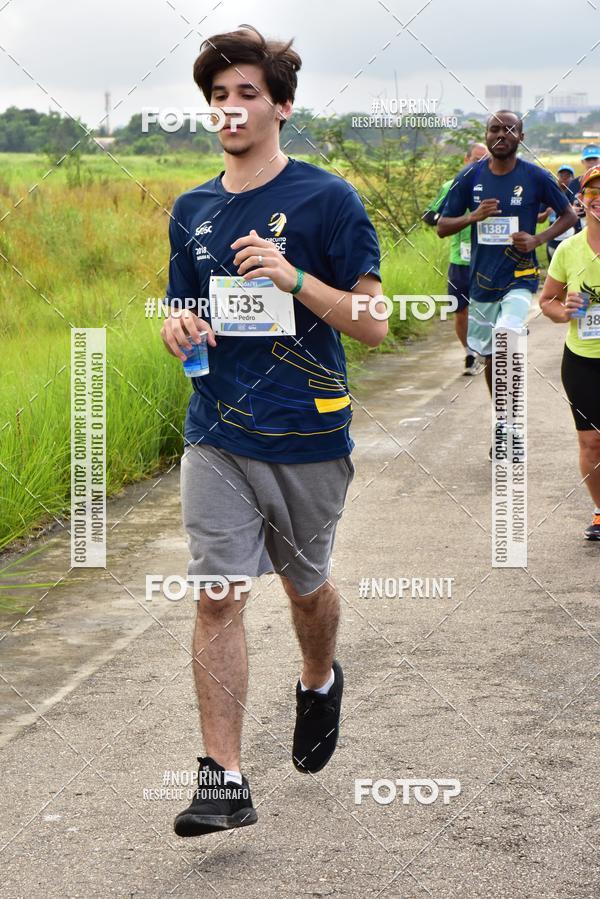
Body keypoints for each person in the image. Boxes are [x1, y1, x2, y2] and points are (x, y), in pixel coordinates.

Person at [160, 25, 385, 837]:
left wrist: (294, 278)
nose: (230, 109)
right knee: (217, 596)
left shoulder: (328, 200)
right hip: (217, 430)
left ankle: (319, 677)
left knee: (303, 589)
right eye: (218, 97)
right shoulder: (192, 208)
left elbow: (373, 325)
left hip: (308, 434)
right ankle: (224, 778)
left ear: (282, 105)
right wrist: (178, 328)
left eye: (246, 94)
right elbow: (182, 307)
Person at [437, 110, 577, 455]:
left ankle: (511, 423)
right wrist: (473, 216)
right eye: (495, 129)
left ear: (521, 137)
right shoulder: (469, 176)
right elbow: (442, 226)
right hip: (482, 282)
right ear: (486, 136)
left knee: (507, 337)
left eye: (509, 129)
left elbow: (570, 215)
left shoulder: (535, 177)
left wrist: (536, 239)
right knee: (489, 355)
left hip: (520, 277)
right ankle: (504, 422)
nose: (501, 134)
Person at [539, 163, 600, 540]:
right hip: (582, 360)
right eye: (595, 195)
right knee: (591, 441)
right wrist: (566, 311)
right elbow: (547, 302)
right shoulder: (568, 250)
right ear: (583, 199)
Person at [423, 141, 488, 375]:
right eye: (475, 160)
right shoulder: (451, 186)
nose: (479, 164)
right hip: (460, 260)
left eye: (484, 160)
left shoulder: (495, 186)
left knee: (488, 309)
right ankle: (470, 353)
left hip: (488, 260)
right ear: (465, 159)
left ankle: (487, 349)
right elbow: (429, 215)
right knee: (461, 310)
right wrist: (451, 217)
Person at [542, 165, 578, 262]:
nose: (564, 179)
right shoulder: (550, 193)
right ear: (557, 177)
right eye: (561, 176)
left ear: (573, 178)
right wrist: (546, 213)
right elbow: (538, 218)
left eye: (567, 176)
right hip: (553, 240)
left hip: (572, 240)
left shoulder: (577, 195)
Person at [569, 145, 600, 229]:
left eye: (595, 159)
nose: (592, 162)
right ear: (583, 162)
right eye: (588, 159)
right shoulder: (573, 184)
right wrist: (571, 210)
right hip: (579, 232)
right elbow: (565, 206)